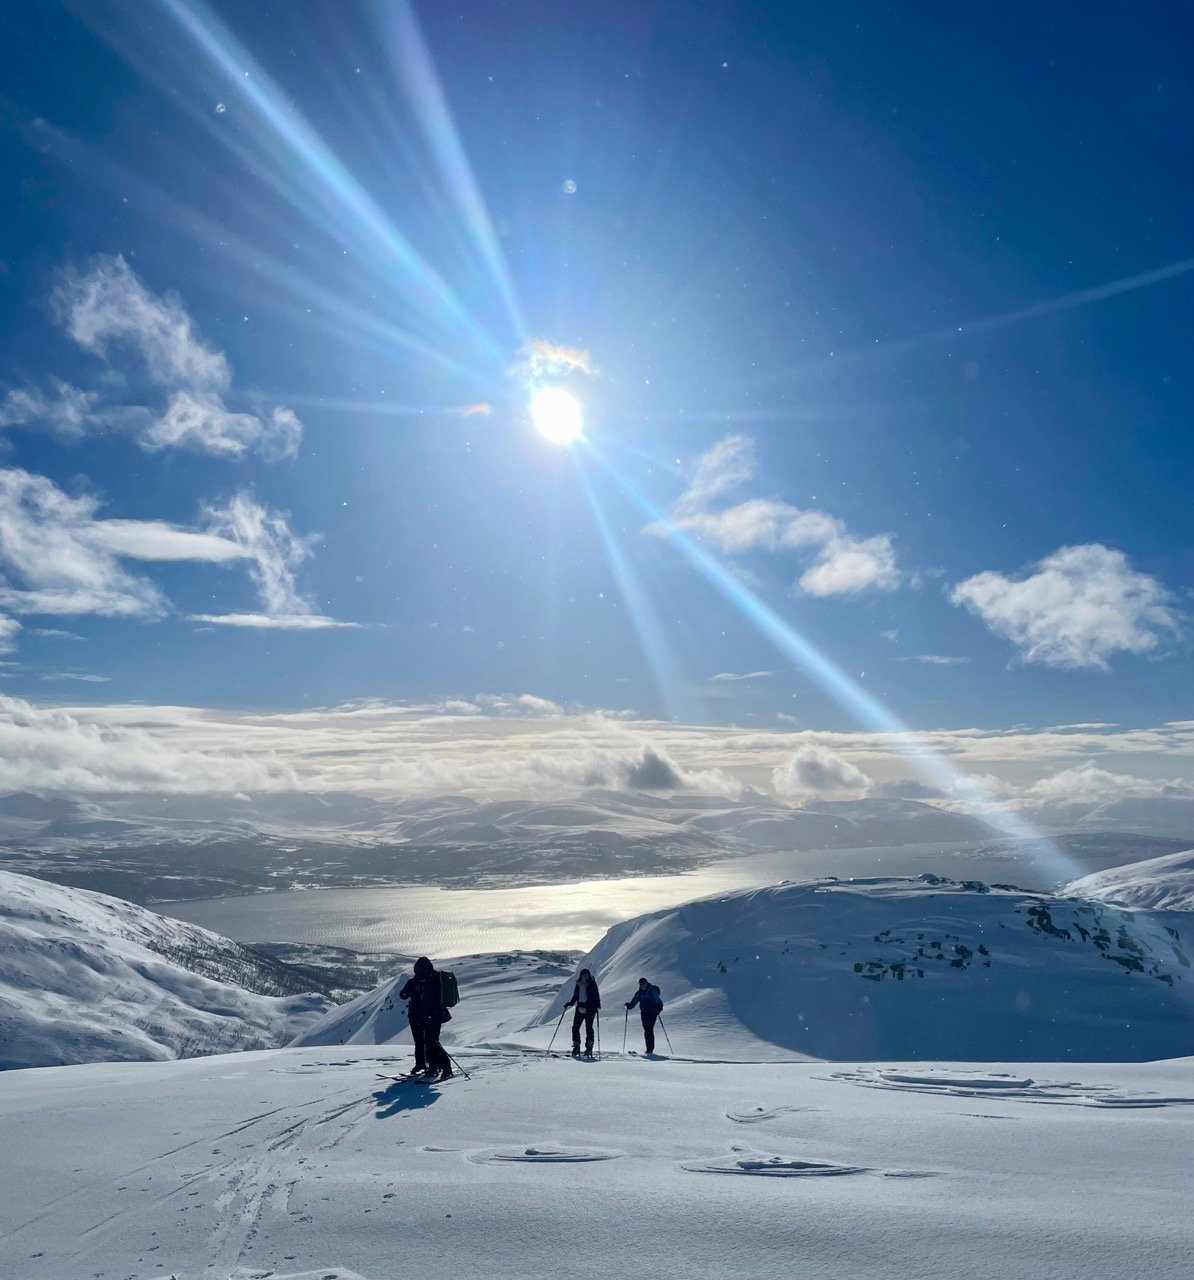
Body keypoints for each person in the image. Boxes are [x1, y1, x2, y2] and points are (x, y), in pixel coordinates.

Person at [399, 956, 453, 1079]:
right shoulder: (430, 980)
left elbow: (404, 995)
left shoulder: (427, 981)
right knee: (426, 1041)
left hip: (430, 1016)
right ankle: (425, 1065)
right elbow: (403, 994)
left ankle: (441, 1067)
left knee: (431, 1042)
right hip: (424, 1016)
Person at [564, 967, 601, 1057]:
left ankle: (589, 1048)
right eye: (583, 975)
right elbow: (576, 995)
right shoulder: (578, 984)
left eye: (586, 975)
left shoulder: (592, 984)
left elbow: (596, 995)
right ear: (581, 976)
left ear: (588, 976)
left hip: (590, 1008)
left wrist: (597, 1005)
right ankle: (577, 1047)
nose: (585, 977)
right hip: (580, 1007)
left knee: (588, 1028)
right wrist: (571, 1003)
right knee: (575, 1027)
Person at [626, 977, 663, 1054]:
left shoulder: (652, 991)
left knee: (649, 1029)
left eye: (643, 984)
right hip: (644, 1013)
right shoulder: (639, 993)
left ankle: (650, 1049)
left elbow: (659, 1001)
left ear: (646, 983)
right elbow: (634, 1002)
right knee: (647, 1030)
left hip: (652, 1013)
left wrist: (658, 1009)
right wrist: (629, 1006)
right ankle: (649, 1049)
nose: (642, 985)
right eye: (640, 984)